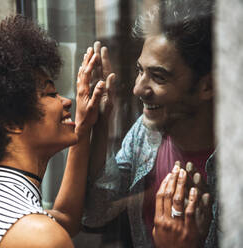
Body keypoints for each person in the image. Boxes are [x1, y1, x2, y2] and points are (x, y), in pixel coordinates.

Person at [0, 15, 115, 247]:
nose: (67, 101)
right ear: (12, 122)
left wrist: (85, 126)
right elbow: (50, 232)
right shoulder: (41, 236)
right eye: (50, 94)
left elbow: (66, 219)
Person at [83, 0, 218, 247]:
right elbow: (95, 213)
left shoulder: (233, 165)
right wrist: (100, 124)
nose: (137, 88)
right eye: (139, 71)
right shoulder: (144, 134)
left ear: (206, 86)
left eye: (158, 76)